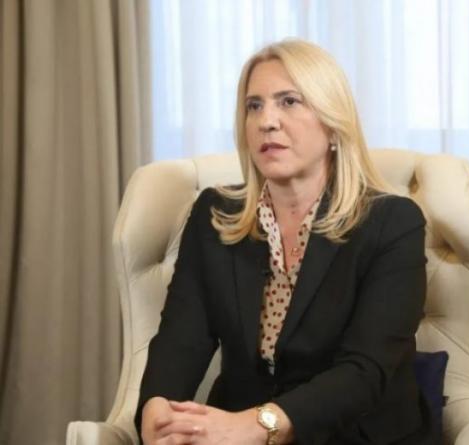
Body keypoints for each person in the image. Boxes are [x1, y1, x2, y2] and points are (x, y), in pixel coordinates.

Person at [135, 39, 434, 445]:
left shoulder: (393, 223)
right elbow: (181, 340)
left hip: (352, 435)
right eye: (254, 106)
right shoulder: (214, 214)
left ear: (333, 125)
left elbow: (365, 372)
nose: (267, 121)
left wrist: (255, 426)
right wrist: (156, 410)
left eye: (289, 102)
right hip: (236, 432)